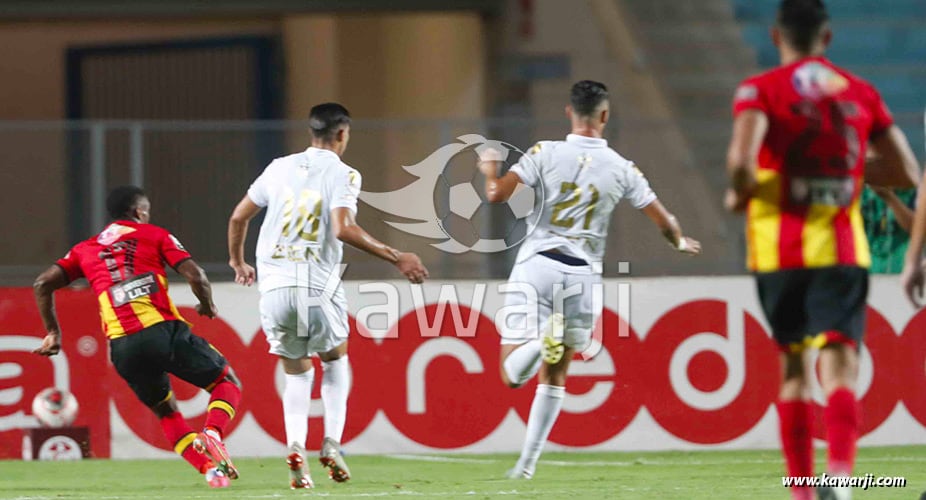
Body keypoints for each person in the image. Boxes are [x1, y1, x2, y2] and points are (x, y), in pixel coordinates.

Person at [724, 1, 919, 499]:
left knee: (793, 370)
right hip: (840, 250)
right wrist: (848, 170)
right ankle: (840, 476)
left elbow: (741, 163)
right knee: (839, 367)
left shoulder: (759, 90)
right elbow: (907, 172)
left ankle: (802, 492)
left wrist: (741, 193)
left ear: (776, 37)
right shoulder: (860, 92)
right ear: (827, 38)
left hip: (779, 252)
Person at [478, 80, 701, 479]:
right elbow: (665, 222)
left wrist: (489, 168)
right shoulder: (622, 167)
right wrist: (680, 242)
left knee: (512, 375)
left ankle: (539, 340)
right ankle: (526, 466)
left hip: (537, 265)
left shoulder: (545, 152)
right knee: (556, 374)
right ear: (605, 115)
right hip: (582, 277)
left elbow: (496, 194)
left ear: (569, 112)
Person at [227, 102, 428, 488]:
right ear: (342, 133)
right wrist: (397, 256)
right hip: (316, 285)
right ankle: (332, 443)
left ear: (311, 132)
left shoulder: (278, 167)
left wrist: (238, 262)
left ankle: (295, 447)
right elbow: (343, 228)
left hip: (274, 288)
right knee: (335, 361)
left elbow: (239, 216)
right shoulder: (344, 173)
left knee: (296, 371)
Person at [32, 186, 243, 489]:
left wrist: (53, 333)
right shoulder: (154, 234)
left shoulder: (84, 249)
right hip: (161, 331)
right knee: (226, 382)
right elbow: (196, 275)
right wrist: (207, 305)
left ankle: (211, 471)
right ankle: (212, 433)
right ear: (139, 211)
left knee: (167, 413)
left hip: (123, 348)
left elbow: (42, 284)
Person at [861, 185, 915, 273]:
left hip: (902, 272)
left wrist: (888, 197)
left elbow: (917, 231)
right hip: (867, 271)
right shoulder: (862, 192)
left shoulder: (914, 189)